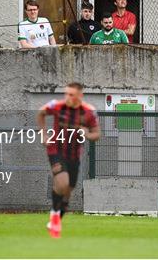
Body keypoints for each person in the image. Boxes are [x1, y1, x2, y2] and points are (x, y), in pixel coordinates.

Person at [36, 82, 101, 238]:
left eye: (71, 94)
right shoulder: (57, 106)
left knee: (68, 190)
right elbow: (41, 113)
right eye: (66, 94)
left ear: (80, 95)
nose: (67, 97)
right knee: (63, 183)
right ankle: (54, 217)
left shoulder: (89, 112)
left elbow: (97, 135)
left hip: (74, 155)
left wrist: (86, 134)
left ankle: (55, 219)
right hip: (55, 150)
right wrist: (43, 134)